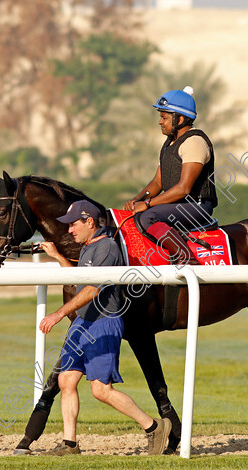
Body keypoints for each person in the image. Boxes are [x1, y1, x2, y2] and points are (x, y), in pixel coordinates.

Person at [37, 199, 171, 456]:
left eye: (74, 224)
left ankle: (153, 427)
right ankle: (70, 444)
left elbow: (92, 288)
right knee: (66, 380)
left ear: (89, 222)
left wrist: (58, 314)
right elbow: (79, 279)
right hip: (83, 324)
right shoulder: (88, 246)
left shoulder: (108, 248)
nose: (69, 230)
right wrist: (57, 258)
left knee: (101, 390)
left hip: (103, 324)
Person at [123, 86, 218, 265]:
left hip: (197, 206)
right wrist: (136, 201)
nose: (160, 122)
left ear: (180, 118)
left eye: (164, 117)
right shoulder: (169, 144)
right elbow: (157, 182)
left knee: (147, 217)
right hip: (178, 205)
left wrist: (148, 204)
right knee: (133, 215)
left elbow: (183, 188)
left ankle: (188, 259)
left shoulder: (195, 142)